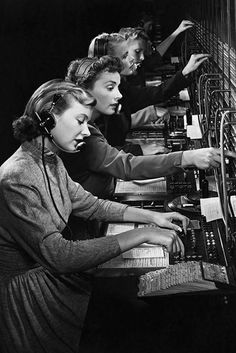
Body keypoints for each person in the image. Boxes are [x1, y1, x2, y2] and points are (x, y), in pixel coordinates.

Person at [0, 78, 188, 353]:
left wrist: (152, 218)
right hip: (30, 301)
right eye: (79, 121)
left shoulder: (48, 159)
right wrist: (143, 234)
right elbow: (59, 255)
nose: (87, 131)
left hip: (55, 280)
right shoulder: (15, 178)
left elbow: (88, 204)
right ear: (47, 121)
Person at [63, 55, 231, 201]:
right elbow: (126, 166)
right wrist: (188, 157)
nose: (119, 95)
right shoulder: (81, 131)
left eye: (117, 87)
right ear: (84, 91)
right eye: (110, 88)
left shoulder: (88, 123)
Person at [87, 32, 210, 147]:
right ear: (107, 62)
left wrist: (185, 72)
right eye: (124, 56)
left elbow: (155, 94)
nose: (131, 59)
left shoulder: (121, 89)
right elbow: (103, 155)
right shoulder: (92, 105)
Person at [119, 20, 195, 88]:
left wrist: (178, 31)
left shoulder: (135, 68)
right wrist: (184, 72)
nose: (142, 57)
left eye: (143, 52)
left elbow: (155, 56)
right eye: (137, 51)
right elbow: (157, 94)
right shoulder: (119, 83)